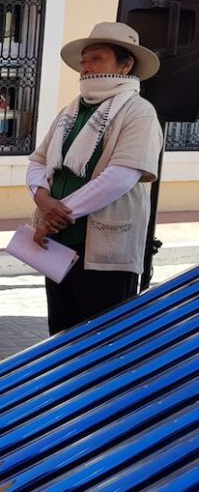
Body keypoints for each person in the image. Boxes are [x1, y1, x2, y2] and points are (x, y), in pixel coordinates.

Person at [27, 22, 163, 335]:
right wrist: (42, 198)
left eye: (96, 58)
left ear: (126, 63)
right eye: (84, 60)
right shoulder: (71, 112)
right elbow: (37, 161)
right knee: (61, 334)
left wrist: (57, 213)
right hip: (59, 246)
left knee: (103, 343)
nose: (86, 67)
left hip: (106, 255)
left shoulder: (139, 112)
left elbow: (121, 176)